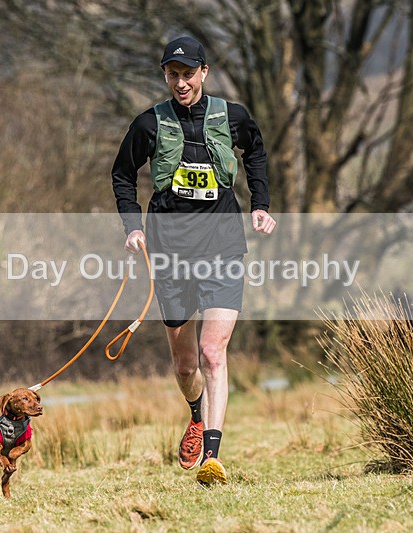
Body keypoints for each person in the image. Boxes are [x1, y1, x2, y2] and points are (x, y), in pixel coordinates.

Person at [111, 36, 276, 485]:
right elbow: (122, 174)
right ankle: (196, 416)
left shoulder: (232, 116)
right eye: (173, 75)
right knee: (186, 366)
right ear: (165, 76)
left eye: (188, 74)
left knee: (212, 353)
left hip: (223, 246)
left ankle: (212, 458)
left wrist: (260, 204)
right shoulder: (149, 123)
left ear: (204, 72)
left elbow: (256, 152)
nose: (181, 83)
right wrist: (133, 227)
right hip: (170, 252)